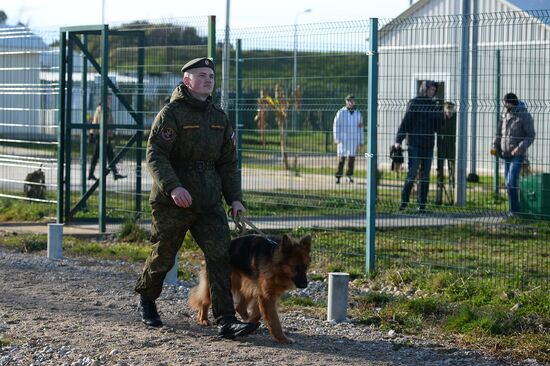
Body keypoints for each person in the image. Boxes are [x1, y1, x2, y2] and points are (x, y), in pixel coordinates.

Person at [134, 57, 257, 339]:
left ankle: (226, 319)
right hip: (172, 201)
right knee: (163, 254)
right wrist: (173, 187)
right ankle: (147, 300)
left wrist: (234, 199)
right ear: (187, 80)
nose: (208, 80)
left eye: (211, 76)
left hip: (208, 202)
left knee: (220, 256)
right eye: (201, 75)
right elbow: (155, 154)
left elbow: (228, 162)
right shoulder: (171, 114)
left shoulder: (219, 117)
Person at [394, 80, 442, 211]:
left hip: (428, 145)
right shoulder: (414, 103)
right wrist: (398, 140)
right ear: (424, 89)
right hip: (414, 144)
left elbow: (438, 127)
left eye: (434, 90)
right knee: (412, 173)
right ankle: (404, 202)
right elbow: (406, 122)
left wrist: (441, 113)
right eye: (430, 89)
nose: (432, 92)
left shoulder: (433, 105)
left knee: (425, 176)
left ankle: (422, 205)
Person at [492, 92, 535, 215]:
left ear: (512, 102)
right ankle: (514, 209)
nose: (505, 105)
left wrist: (520, 148)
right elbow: (499, 133)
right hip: (505, 154)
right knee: (508, 184)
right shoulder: (505, 114)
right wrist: (494, 145)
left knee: (511, 182)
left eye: (507, 103)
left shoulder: (524, 115)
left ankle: (514, 211)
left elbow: (530, 135)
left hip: (517, 154)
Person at [88, 95, 126, 181]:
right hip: (101, 136)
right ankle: (92, 174)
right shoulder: (103, 108)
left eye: (110, 99)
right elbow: (102, 123)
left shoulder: (102, 108)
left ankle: (114, 174)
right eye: (109, 99)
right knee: (101, 155)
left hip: (102, 135)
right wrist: (107, 134)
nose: (110, 101)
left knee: (109, 155)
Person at [333, 94, 364, 184]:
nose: (350, 102)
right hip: (343, 139)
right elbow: (336, 126)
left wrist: (361, 141)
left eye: (352, 100)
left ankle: (349, 176)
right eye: (348, 100)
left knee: (351, 159)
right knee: (341, 159)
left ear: (354, 102)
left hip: (353, 139)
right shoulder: (341, 112)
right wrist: (337, 138)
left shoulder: (358, 114)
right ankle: (338, 177)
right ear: (346, 101)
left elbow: (361, 128)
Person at [436, 101, 457, 206]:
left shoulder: (456, 118)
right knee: (440, 173)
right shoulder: (440, 118)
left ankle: (454, 198)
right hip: (441, 148)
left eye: (451, 109)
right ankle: (439, 199)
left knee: (452, 173)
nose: (449, 112)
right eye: (447, 110)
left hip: (452, 148)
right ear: (444, 110)